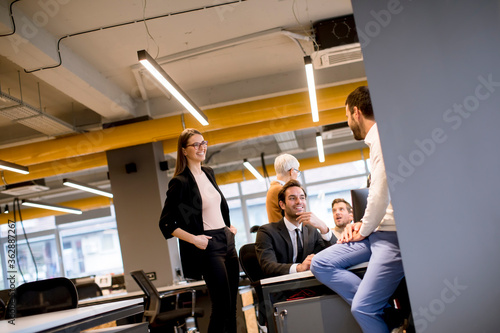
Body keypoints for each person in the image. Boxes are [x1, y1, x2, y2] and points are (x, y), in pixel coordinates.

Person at [311, 86, 405, 333]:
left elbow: (381, 191)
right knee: (320, 263)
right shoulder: (375, 140)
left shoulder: (381, 137)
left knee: (362, 308)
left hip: (391, 238)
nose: (348, 122)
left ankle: (374, 307)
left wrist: (362, 227)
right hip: (375, 231)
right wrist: (362, 224)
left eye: (346, 116)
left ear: (356, 112)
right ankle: (384, 309)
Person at [158, 128, 239, 333]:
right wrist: (194, 239)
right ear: (184, 151)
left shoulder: (208, 172)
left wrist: (228, 227)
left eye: (204, 143)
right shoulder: (180, 182)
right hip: (209, 246)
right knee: (220, 307)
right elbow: (166, 223)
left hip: (227, 241)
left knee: (231, 307)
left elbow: (214, 206)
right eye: (195, 144)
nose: (201, 147)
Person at [256, 179, 336, 277]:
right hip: (282, 289)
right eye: (292, 198)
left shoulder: (312, 230)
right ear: (282, 205)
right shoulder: (267, 232)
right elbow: (268, 266)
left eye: (302, 198)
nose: (299, 202)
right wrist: (299, 268)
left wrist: (323, 227)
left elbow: (336, 254)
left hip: (312, 286)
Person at [266, 153, 301, 223]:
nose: (297, 175)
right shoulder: (280, 190)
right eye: (297, 172)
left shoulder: (275, 188)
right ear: (292, 171)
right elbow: (296, 214)